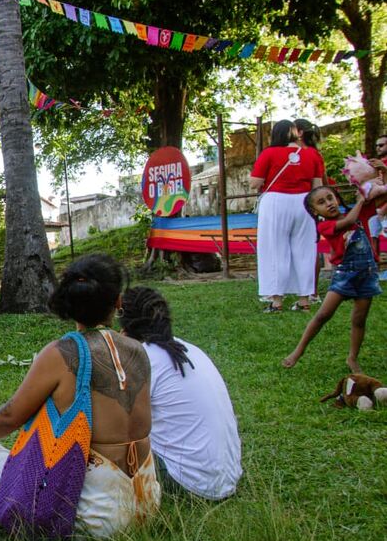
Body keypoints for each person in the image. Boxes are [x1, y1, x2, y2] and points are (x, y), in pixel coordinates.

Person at [0, 254, 160, 540]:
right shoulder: (138, 350)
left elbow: (10, 416)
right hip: (148, 503)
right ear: (118, 302)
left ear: (69, 304)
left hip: (99, 520)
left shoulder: (61, 353)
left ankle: (3, 505)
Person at [120, 286, 243, 500]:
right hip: (225, 477)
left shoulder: (143, 359)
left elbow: (120, 424)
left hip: (188, 484)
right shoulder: (187, 349)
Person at [283, 187, 379, 372]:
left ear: (337, 198)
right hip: (344, 275)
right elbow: (350, 220)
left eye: (330, 198)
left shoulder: (359, 213)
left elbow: (379, 194)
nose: (329, 203)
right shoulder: (325, 226)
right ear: (315, 212)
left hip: (366, 273)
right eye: (321, 202)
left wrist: (380, 174)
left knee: (359, 319)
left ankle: (352, 358)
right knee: (322, 315)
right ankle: (298, 351)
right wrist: (360, 200)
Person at [249, 119, 324, 312]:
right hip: (305, 202)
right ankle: (304, 300)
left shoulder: (269, 153)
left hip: (276, 201)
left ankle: (276, 300)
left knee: (274, 249)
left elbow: (255, 183)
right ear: (294, 133)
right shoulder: (313, 155)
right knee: (305, 250)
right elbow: (317, 186)